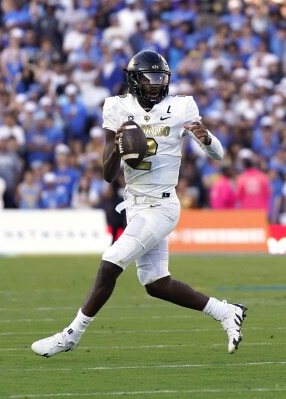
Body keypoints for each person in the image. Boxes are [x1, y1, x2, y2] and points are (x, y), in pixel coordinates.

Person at [31, 50, 247, 357]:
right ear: (134, 81)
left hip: (162, 206)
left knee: (110, 263)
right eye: (149, 78)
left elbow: (218, 155)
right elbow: (107, 174)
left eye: (160, 78)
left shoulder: (182, 105)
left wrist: (208, 139)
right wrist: (120, 146)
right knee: (156, 283)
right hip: (134, 205)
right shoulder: (117, 107)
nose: (156, 84)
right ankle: (226, 312)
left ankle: (71, 334)